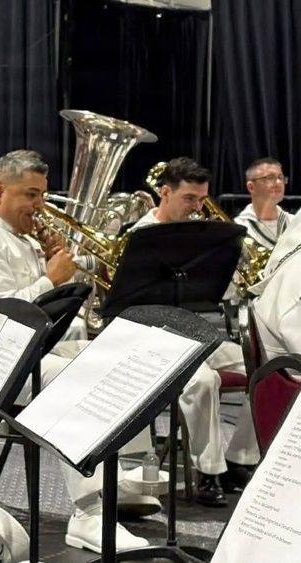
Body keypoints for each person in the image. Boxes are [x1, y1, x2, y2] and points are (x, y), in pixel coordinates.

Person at [0, 150, 153, 554]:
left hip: (27, 356)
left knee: (120, 358)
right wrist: (50, 278)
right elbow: (7, 318)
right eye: (31, 195)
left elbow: (53, 320)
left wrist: (61, 280)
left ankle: (111, 470)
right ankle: (89, 511)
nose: (40, 206)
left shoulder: (23, 238)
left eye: (43, 195)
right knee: (77, 380)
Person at [131, 156, 259, 506]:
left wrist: (229, 274)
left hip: (197, 333)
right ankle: (208, 472)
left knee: (266, 367)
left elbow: (223, 294)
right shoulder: (139, 237)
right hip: (152, 338)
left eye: (202, 199)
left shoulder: (205, 237)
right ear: (164, 193)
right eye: (189, 198)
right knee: (203, 381)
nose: (198, 207)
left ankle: (240, 458)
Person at [234, 157, 293, 250]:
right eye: (270, 178)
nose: (278, 182)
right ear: (251, 187)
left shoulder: (295, 222)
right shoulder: (238, 227)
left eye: (280, 178)